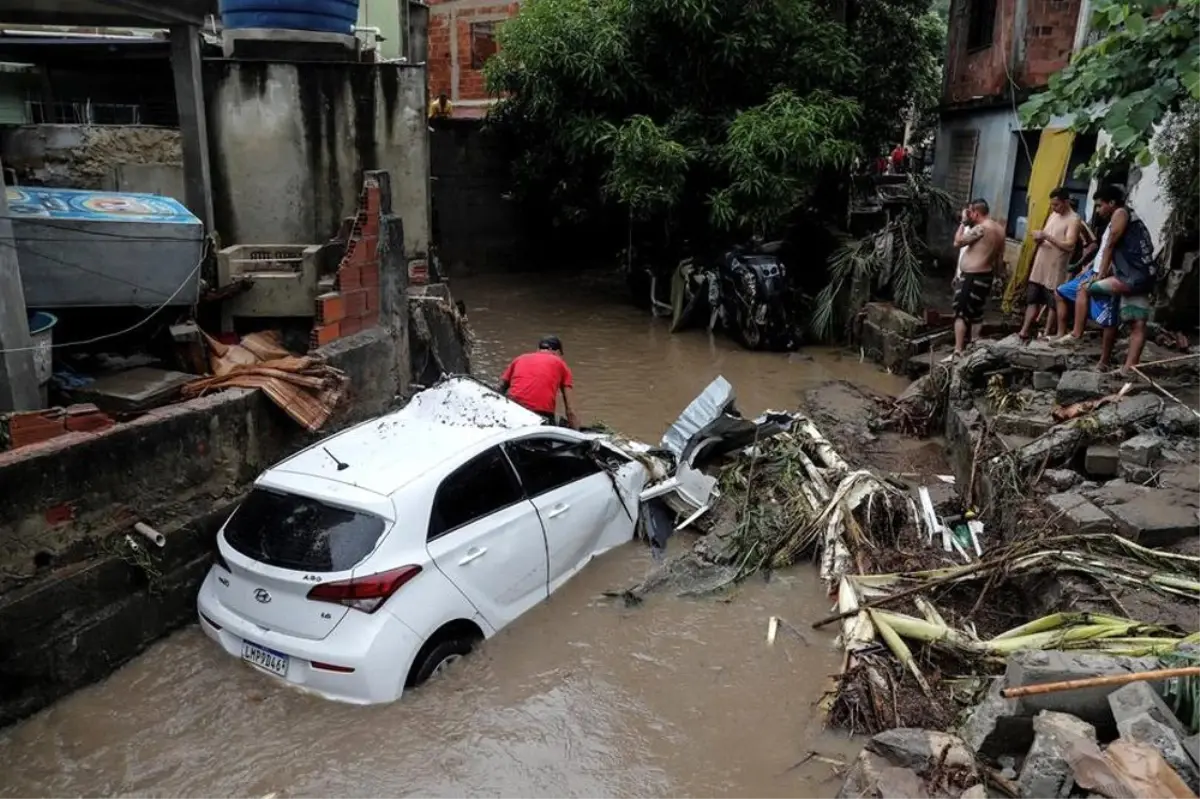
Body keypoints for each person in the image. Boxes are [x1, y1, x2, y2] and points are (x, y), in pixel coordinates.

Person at [1052, 185, 1156, 373]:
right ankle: (1129, 369)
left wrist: (1098, 277)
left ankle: (1076, 333)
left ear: (1112, 203)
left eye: (1100, 206)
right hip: (1144, 276)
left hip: (1127, 278)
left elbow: (1110, 245)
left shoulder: (1120, 214)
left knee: (1084, 288)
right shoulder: (1134, 218)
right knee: (1139, 324)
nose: (1098, 210)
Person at [1018, 187, 1079, 342]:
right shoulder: (1053, 215)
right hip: (1041, 264)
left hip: (1056, 267)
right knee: (1032, 298)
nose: (1054, 208)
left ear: (1066, 202)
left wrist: (1047, 236)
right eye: (1052, 205)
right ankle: (1024, 331)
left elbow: (1070, 245)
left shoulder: (1074, 219)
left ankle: (1047, 332)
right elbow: (1048, 235)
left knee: (1053, 302)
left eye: (1057, 205)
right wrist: (1040, 238)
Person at [950, 199, 1005, 357]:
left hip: (972, 276)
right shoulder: (1000, 229)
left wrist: (963, 222)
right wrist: (998, 276)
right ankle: (974, 342)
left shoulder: (982, 228)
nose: (969, 215)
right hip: (986, 275)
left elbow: (957, 242)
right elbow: (999, 258)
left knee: (961, 312)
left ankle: (958, 349)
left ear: (976, 213)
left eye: (970, 212)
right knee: (977, 312)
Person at [498, 336, 579, 427]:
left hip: (513, 410)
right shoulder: (561, 363)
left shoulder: (520, 358)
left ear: (538, 349)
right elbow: (570, 410)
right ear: (557, 352)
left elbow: (499, 389)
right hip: (541, 415)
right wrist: (578, 434)